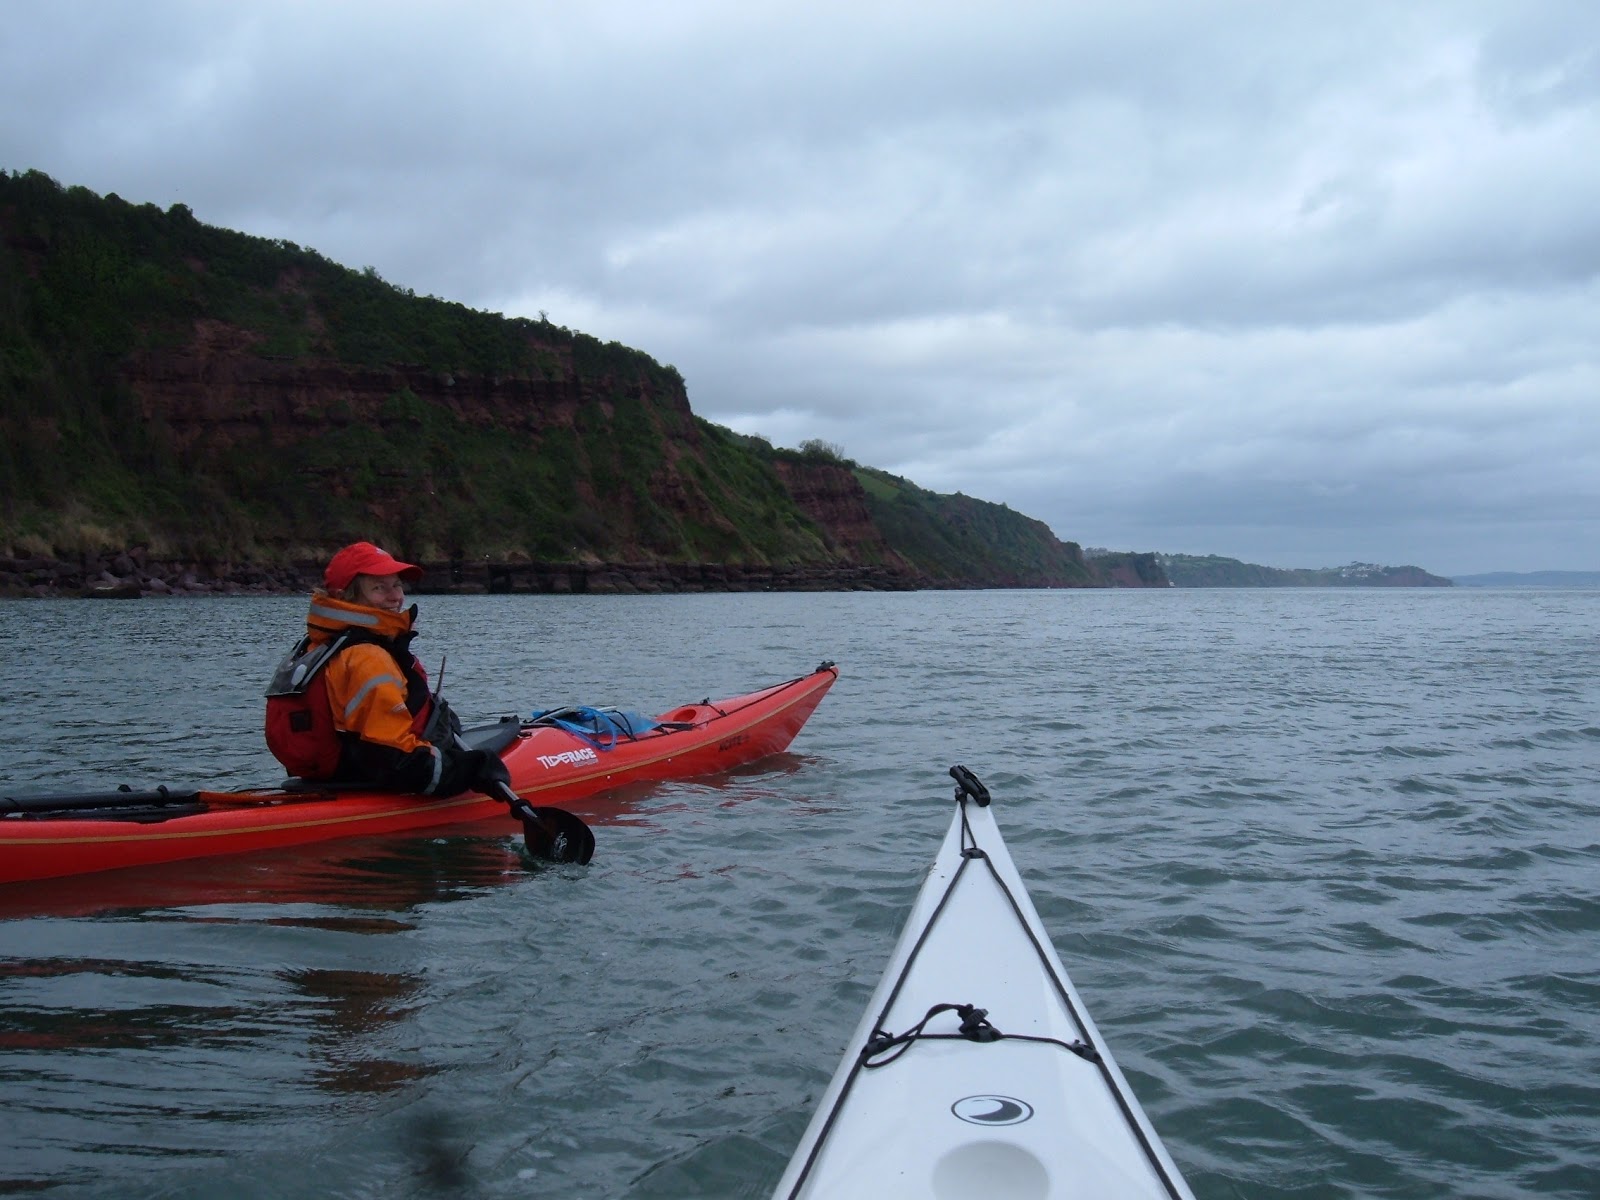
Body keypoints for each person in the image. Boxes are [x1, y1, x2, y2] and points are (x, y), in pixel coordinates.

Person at [264, 542, 510, 797]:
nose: (395, 597)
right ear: (347, 596)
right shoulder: (368, 657)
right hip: (379, 778)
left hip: (334, 776)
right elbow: (395, 759)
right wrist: (471, 771)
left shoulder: (317, 644)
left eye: (397, 585)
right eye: (379, 588)